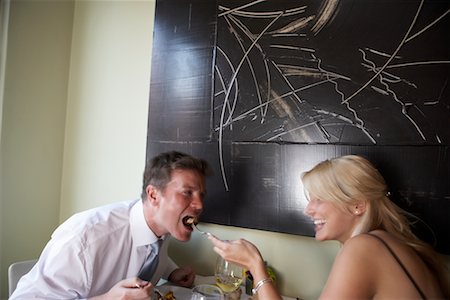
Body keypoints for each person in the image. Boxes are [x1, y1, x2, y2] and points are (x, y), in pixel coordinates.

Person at [209, 155, 450, 299]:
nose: (308, 210)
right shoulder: (386, 242)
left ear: (358, 205)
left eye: (319, 199)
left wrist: (255, 265)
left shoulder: (363, 248)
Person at [11, 150, 212, 299]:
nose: (199, 205)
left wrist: (171, 272)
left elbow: (151, 254)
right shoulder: (84, 239)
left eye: (201, 195)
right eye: (187, 192)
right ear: (153, 195)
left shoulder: (163, 225)